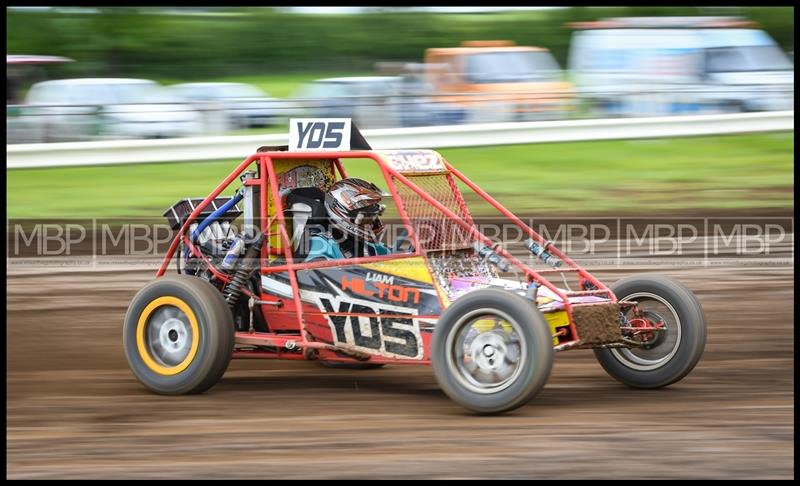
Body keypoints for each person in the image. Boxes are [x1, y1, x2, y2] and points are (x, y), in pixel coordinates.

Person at [304, 178, 392, 262]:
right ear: (342, 215)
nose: (371, 224)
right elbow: (315, 274)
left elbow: (391, 255)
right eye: (364, 219)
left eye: (373, 217)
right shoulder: (320, 244)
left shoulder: (369, 245)